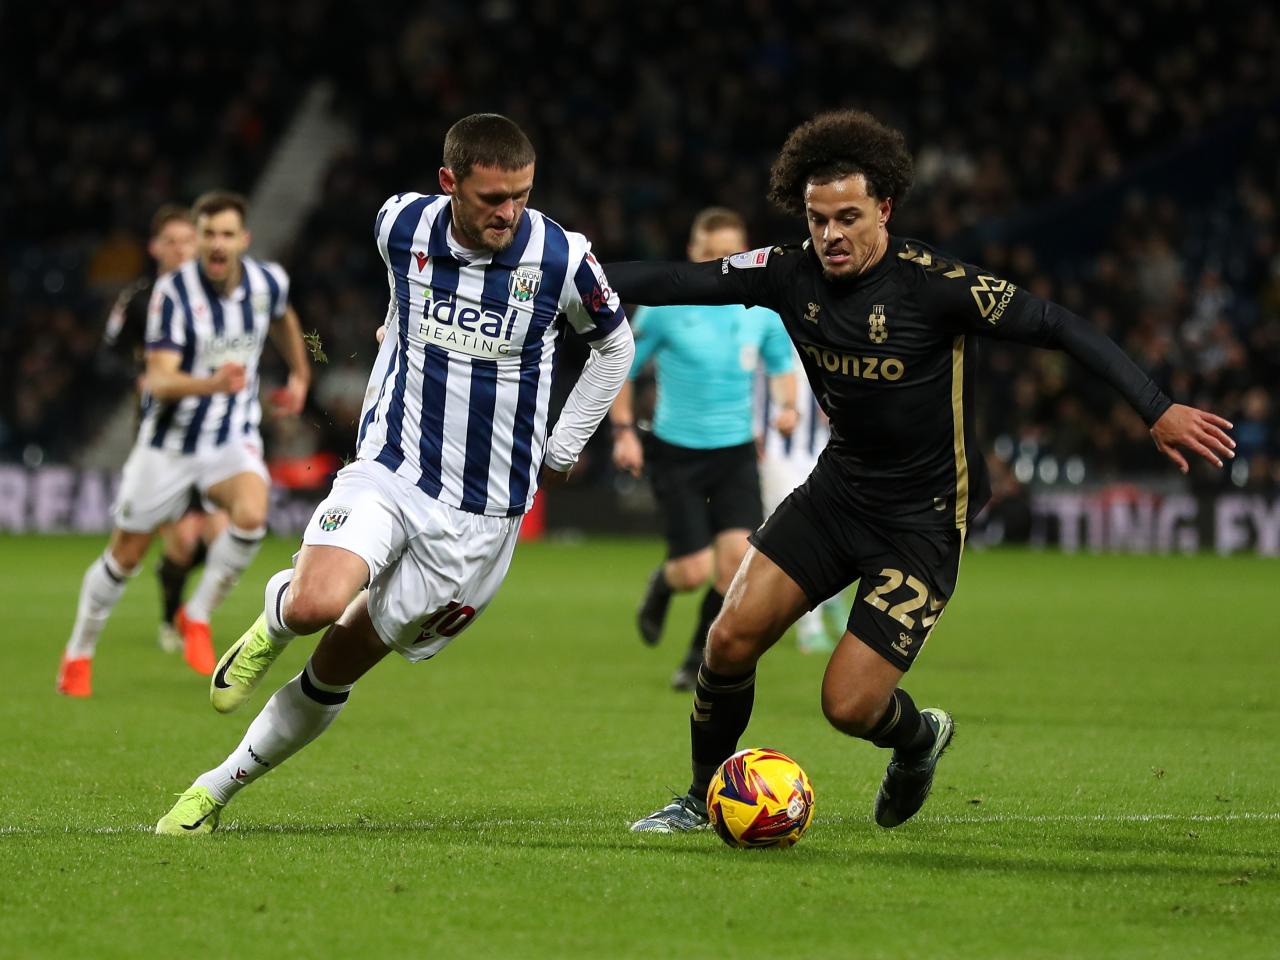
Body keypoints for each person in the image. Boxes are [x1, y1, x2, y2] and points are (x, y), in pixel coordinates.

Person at [607, 110, 1235, 833]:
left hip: (924, 518)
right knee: (728, 639)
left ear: (885, 208)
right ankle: (697, 797)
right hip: (838, 492)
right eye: (817, 219)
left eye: (848, 217)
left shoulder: (936, 286)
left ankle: (918, 739)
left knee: (847, 706)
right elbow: (677, 279)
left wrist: (1155, 408)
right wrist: (563, 277)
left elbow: (1057, 325)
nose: (831, 235)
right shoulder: (787, 273)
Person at [155, 113, 635, 835]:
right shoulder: (399, 224)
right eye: (491, 198)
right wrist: (396, 326)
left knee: (337, 666)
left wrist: (565, 444)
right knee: (319, 604)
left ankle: (216, 788)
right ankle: (277, 616)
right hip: (392, 468)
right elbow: (399, 289)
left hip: (483, 515)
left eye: (522, 196)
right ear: (449, 185)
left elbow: (615, 346)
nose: (509, 212)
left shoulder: (562, 257)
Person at [57, 191, 311, 696]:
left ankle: (196, 616)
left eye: (226, 234)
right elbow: (160, 380)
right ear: (198, 241)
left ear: (243, 239)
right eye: (208, 234)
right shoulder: (171, 294)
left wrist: (301, 375)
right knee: (125, 555)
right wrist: (211, 384)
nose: (217, 243)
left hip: (230, 437)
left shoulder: (267, 281)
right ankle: (77, 655)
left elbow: (283, 317)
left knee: (252, 512)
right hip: (168, 446)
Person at [611, 208, 796, 692]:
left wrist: (788, 407)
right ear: (694, 255)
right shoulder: (663, 308)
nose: (720, 266)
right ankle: (664, 584)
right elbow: (621, 370)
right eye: (711, 256)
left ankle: (698, 657)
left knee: (736, 564)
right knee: (694, 572)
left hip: (735, 453)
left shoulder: (761, 310)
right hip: (676, 452)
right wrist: (625, 432)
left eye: (730, 256)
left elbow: (781, 366)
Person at [98, 204, 229, 655]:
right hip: (165, 434)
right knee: (183, 539)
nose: (180, 249)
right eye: (170, 241)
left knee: (220, 537)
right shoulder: (138, 298)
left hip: (216, 431)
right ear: (155, 248)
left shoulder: (216, 295)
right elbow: (109, 352)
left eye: (187, 240)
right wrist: (139, 372)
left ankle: (189, 611)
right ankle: (172, 618)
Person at [754, 345, 846, 654]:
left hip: (819, 446)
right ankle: (810, 628)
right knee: (794, 537)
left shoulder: (821, 319)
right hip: (776, 449)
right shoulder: (766, 321)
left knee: (833, 531)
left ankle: (832, 600)